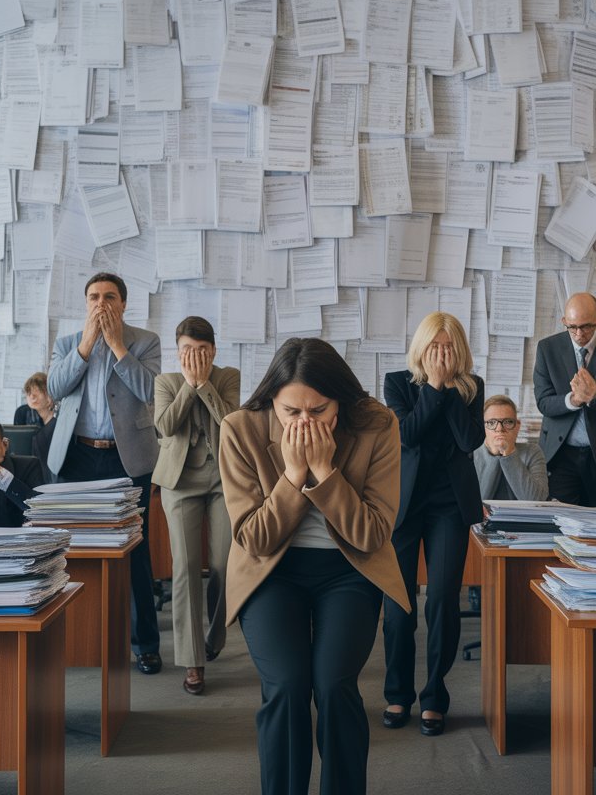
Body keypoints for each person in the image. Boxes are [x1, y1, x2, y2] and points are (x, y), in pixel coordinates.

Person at [218, 337, 409, 795]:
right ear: (272, 401)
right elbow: (254, 538)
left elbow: (371, 534)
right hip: (272, 572)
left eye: (319, 411)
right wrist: (293, 476)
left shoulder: (377, 424)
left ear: (340, 401)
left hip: (347, 569)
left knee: (334, 684)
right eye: (291, 412)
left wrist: (325, 472)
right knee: (286, 685)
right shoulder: (240, 429)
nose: (305, 422)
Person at [46, 273, 164, 675]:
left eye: (109, 296)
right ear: (86, 303)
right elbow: (55, 388)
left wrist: (115, 345)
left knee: (136, 552)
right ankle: (70, 640)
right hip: (77, 457)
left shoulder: (145, 341)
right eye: (94, 296)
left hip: (127, 459)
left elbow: (151, 392)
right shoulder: (68, 343)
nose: (101, 303)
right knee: (68, 550)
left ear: (123, 304)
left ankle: (145, 644)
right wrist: (86, 346)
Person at [381, 312, 484, 738]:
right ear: (421, 348)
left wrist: (447, 390)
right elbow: (408, 434)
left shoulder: (471, 388)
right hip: (404, 505)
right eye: (434, 346)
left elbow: (470, 440)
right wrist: (434, 389)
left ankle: (434, 697)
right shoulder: (397, 383)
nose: (441, 354)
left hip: (449, 507)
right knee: (398, 604)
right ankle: (397, 693)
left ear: (459, 350)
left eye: (448, 347)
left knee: (441, 599)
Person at [152, 317, 240, 696]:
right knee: (185, 568)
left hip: (222, 478)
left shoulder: (228, 377)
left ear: (214, 350)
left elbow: (231, 423)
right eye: (187, 350)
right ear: (178, 352)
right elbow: (165, 427)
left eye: (202, 350)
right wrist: (189, 386)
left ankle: (214, 637)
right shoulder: (166, 382)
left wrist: (205, 385)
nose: (195, 357)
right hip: (180, 481)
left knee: (223, 564)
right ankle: (192, 661)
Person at [532, 292, 596, 506]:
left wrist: (594, 395)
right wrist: (573, 400)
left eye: (586, 327)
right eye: (572, 327)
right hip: (561, 454)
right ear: (564, 321)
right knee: (561, 517)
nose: (579, 334)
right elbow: (544, 402)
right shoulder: (547, 348)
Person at [474, 394, 549, 502]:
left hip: (522, 514)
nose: (499, 428)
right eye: (491, 423)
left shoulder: (532, 452)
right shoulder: (471, 454)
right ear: (482, 427)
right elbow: (474, 501)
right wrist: (494, 454)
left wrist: (509, 453)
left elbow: (537, 500)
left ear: (517, 426)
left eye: (508, 422)